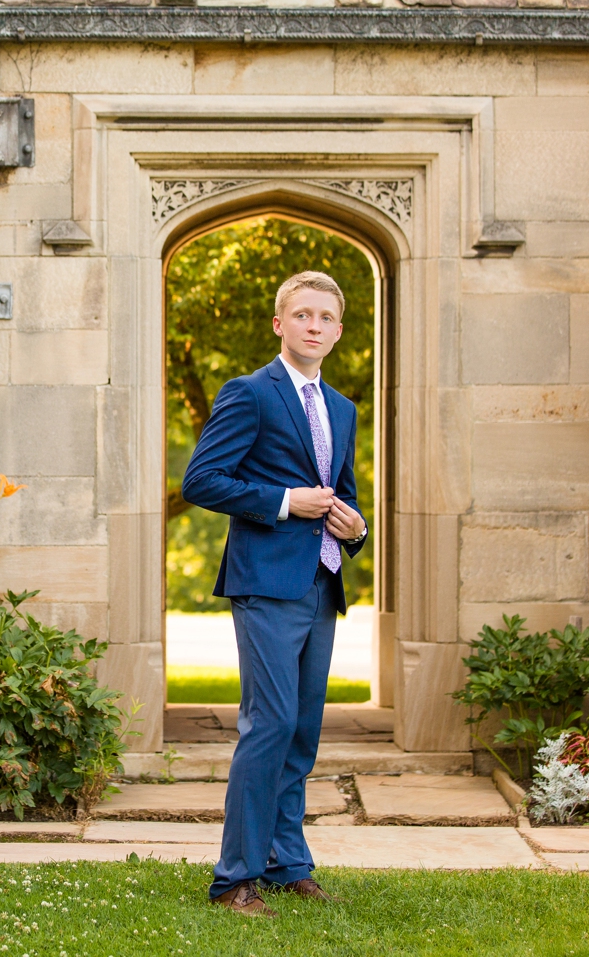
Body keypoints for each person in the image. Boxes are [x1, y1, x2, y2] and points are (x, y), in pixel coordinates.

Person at [181, 269, 369, 917]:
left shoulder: (341, 408)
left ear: (338, 331)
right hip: (264, 582)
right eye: (303, 315)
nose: (314, 326)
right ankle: (234, 877)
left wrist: (356, 526)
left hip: (320, 582)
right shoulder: (249, 394)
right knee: (270, 725)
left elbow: (341, 490)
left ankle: (287, 862)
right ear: (279, 323)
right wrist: (285, 502)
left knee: (302, 732)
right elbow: (203, 480)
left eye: (325, 318)